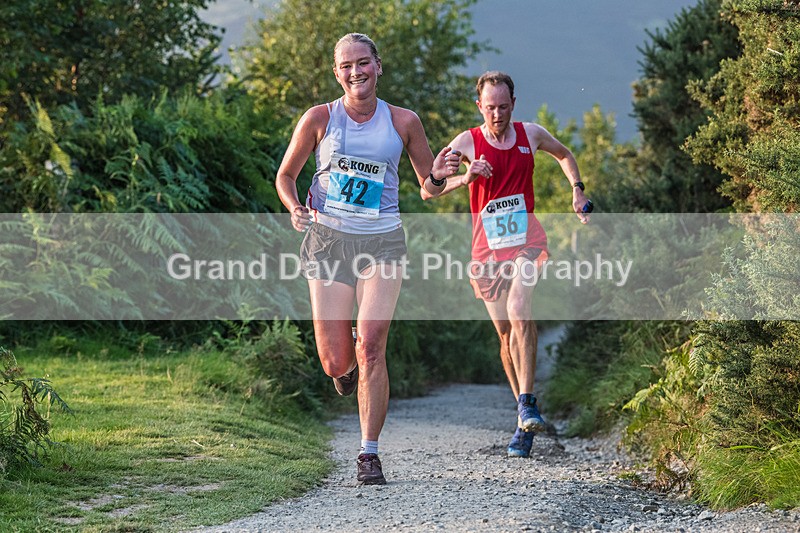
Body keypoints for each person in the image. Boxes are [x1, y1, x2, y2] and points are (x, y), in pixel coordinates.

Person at [276, 33, 460, 485]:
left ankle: (368, 453)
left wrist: (441, 174)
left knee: (372, 344)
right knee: (335, 361)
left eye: (363, 63)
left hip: (383, 243)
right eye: (346, 66)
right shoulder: (320, 118)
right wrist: (295, 206)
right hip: (328, 243)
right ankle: (347, 367)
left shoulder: (404, 122)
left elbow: (427, 186)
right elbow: (286, 175)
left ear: (378, 66)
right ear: (336, 72)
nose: (355, 72)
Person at [421, 71, 590, 458]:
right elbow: (427, 190)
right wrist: (462, 178)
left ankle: (528, 401)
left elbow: (564, 154)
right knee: (503, 335)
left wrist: (576, 192)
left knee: (519, 309)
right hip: (486, 253)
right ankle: (523, 417)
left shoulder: (531, 134)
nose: (496, 114)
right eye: (490, 107)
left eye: (503, 106)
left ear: (514, 103)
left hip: (526, 242)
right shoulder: (467, 142)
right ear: (479, 106)